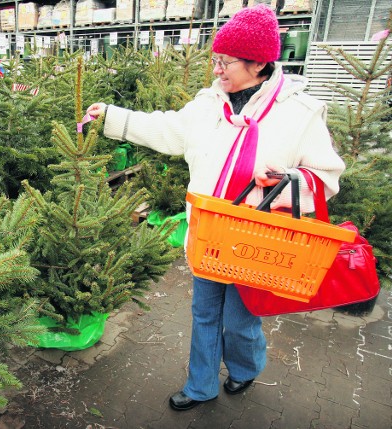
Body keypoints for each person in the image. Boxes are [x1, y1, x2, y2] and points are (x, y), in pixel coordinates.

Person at [86, 4, 345, 412]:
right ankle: (201, 385)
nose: (217, 69)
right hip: (209, 236)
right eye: (215, 59)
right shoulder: (208, 104)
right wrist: (111, 116)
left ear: (258, 63)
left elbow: (327, 175)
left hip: (258, 240)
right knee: (204, 313)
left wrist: (287, 181)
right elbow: (167, 129)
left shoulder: (299, 114)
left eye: (225, 62)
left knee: (240, 322)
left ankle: (244, 368)